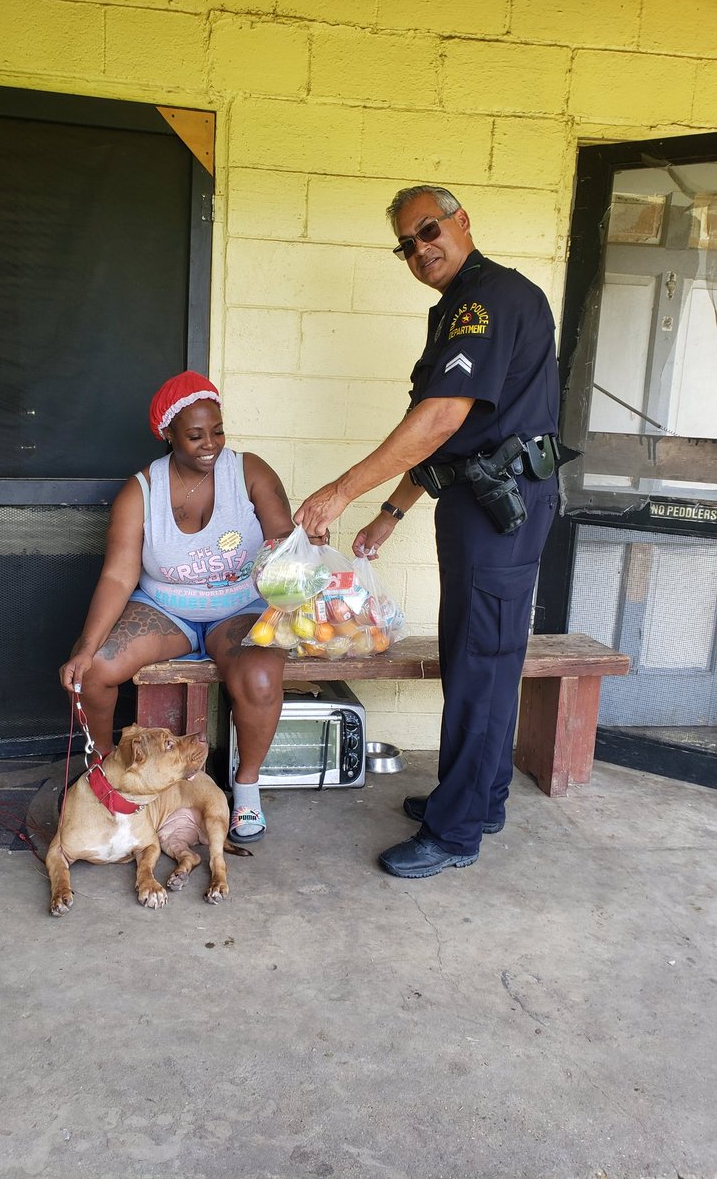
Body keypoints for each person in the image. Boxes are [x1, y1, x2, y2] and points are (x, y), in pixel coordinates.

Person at [295, 185, 561, 879]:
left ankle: (457, 832)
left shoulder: (486, 299)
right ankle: (480, 796)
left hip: (501, 508)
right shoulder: (459, 308)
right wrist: (390, 513)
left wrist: (342, 492)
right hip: (479, 498)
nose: (420, 249)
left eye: (428, 230)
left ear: (461, 222)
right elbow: (449, 439)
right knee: (478, 658)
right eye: (406, 244)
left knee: (480, 666)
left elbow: (442, 419)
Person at [60, 370, 295, 843]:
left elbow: (283, 542)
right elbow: (119, 574)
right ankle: (105, 769)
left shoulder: (249, 471)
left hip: (239, 607)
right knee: (95, 671)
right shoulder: (140, 491)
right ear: (168, 434)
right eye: (194, 435)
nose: (210, 444)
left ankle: (246, 787)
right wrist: (85, 649)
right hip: (165, 609)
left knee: (260, 677)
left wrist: (301, 553)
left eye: (218, 431)